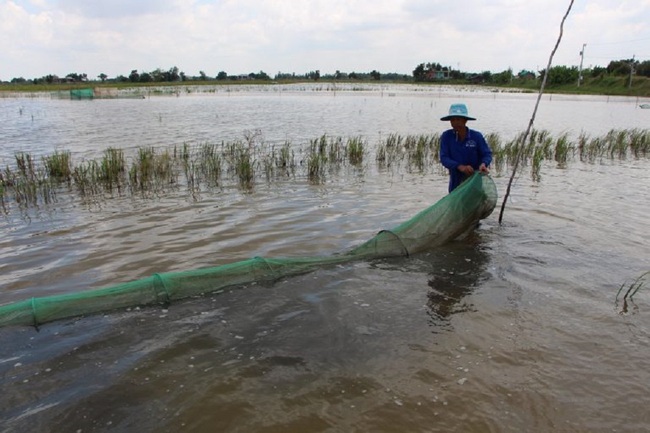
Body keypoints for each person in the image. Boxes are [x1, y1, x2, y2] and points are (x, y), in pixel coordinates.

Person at [439, 103, 492, 192]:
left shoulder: (476, 136)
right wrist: (459, 166)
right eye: (453, 120)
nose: (455, 123)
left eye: (458, 119)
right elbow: (444, 158)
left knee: (474, 203)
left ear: (465, 121)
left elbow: (486, 154)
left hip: (475, 181)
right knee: (456, 204)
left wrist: (483, 164)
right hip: (456, 182)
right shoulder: (446, 136)